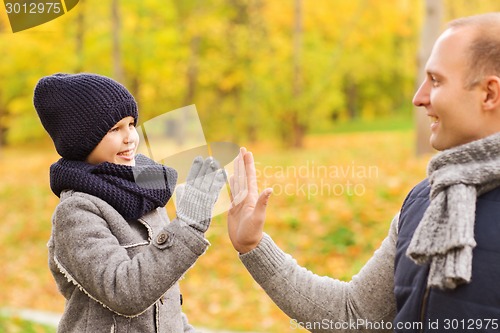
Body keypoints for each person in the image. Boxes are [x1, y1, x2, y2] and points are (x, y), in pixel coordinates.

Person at [228, 12, 500, 333]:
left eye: (436, 80)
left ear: (489, 94)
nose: (419, 98)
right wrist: (254, 245)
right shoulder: (423, 201)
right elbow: (354, 315)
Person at [34, 73, 226, 332]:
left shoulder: (145, 192)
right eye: (114, 129)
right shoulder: (77, 211)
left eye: (131, 124)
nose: (130, 138)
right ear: (81, 141)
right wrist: (187, 227)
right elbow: (124, 292)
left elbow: (163, 301)